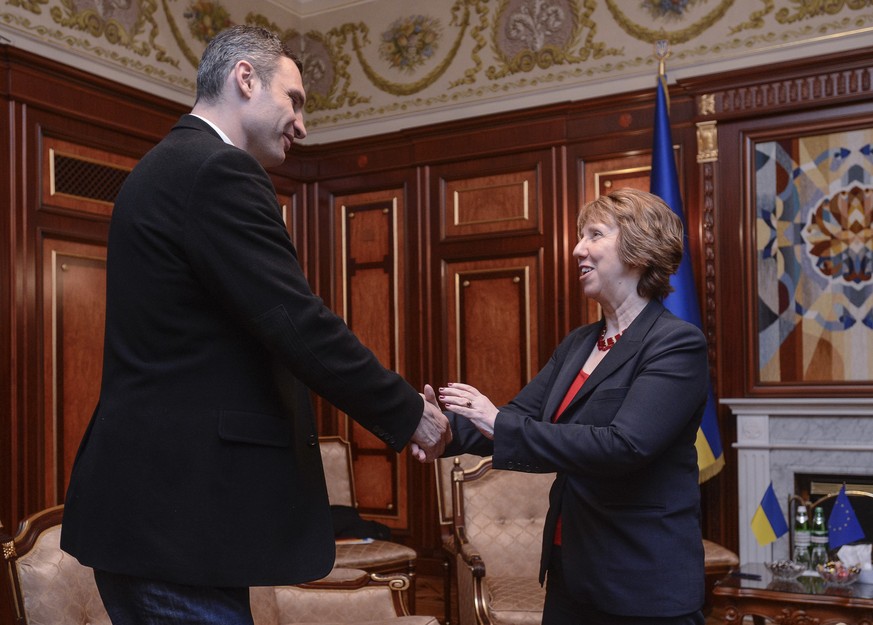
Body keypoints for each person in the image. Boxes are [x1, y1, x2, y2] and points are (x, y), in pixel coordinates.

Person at [61, 25, 450, 625]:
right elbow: (298, 324)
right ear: (245, 78)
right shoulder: (216, 172)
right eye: (293, 100)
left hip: (158, 519)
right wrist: (409, 413)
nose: (302, 124)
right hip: (177, 524)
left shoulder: (167, 166)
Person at [422, 188, 708, 625]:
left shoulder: (676, 344)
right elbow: (516, 420)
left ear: (639, 248)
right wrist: (438, 431)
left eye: (594, 234)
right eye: (580, 237)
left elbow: (625, 446)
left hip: (641, 581)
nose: (577, 249)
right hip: (572, 570)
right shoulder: (578, 344)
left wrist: (497, 422)